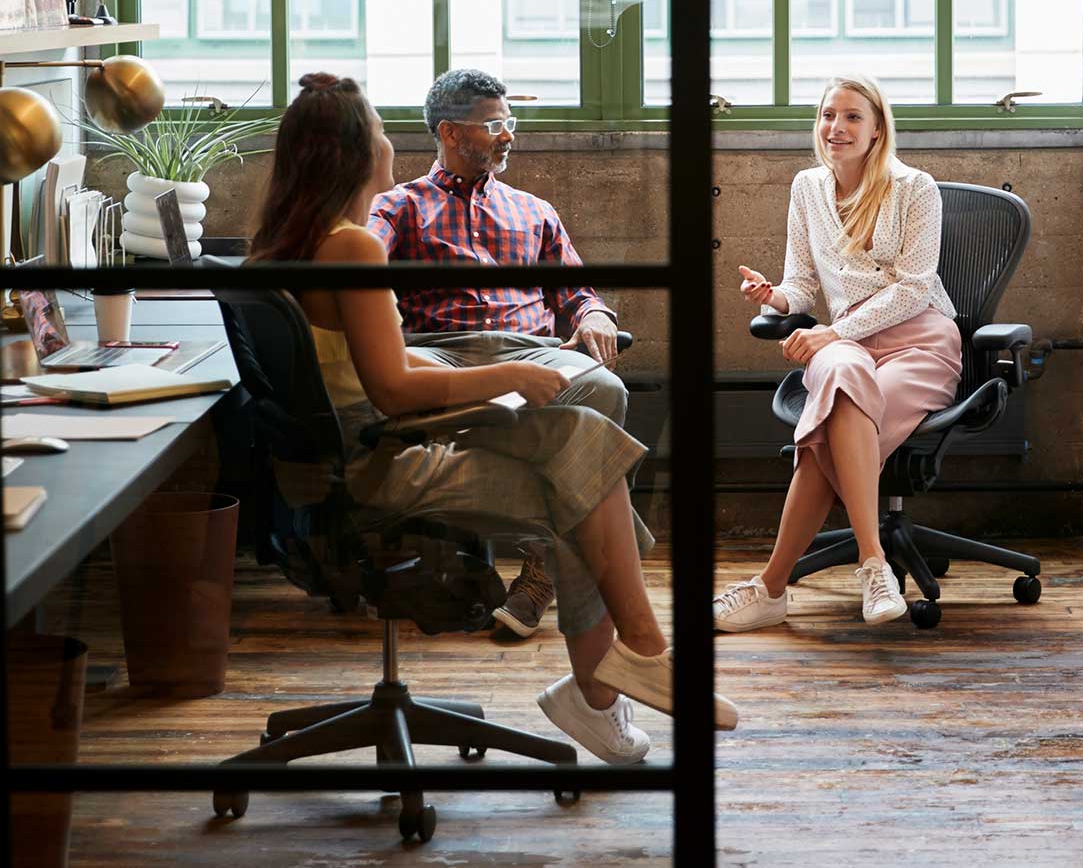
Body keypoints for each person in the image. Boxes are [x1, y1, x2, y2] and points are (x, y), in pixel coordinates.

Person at [248, 72, 735, 765]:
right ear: (355, 154)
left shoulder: (288, 240)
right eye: (381, 132)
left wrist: (539, 354)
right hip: (383, 460)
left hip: (355, 452)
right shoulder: (357, 242)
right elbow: (393, 386)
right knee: (581, 482)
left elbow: (380, 371)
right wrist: (508, 376)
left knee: (585, 441)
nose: (390, 144)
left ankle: (629, 665)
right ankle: (628, 668)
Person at [367, 68, 627, 638]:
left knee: (604, 387)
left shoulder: (534, 211)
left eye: (510, 122)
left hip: (531, 352)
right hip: (441, 351)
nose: (508, 135)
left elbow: (577, 292)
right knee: (413, 385)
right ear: (450, 132)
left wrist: (595, 314)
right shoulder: (399, 206)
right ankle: (565, 562)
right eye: (493, 125)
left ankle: (541, 571)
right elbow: (358, 271)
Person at [711, 75, 963, 632]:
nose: (837, 127)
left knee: (830, 423)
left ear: (877, 130)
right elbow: (802, 284)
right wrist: (774, 297)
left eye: (852, 117)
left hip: (918, 339)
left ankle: (770, 588)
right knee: (841, 380)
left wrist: (836, 330)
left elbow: (914, 288)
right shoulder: (806, 188)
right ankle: (874, 565)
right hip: (843, 344)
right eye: (829, 115)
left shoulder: (915, 188)